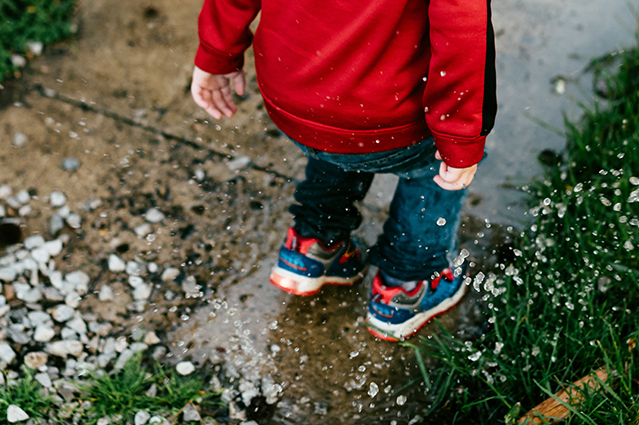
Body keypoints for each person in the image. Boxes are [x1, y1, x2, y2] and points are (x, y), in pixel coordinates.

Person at [191, 0, 497, 341]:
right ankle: (409, 283)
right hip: (389, 111)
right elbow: (461, 23)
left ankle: (313, 243)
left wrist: (216, 53)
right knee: (431, 167)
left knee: (336, 130)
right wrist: (459, 134)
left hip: (294, 93)